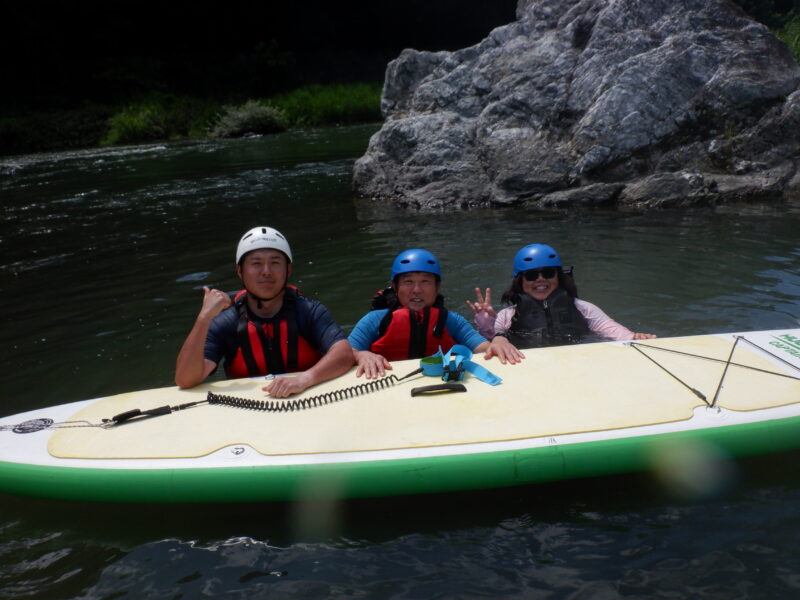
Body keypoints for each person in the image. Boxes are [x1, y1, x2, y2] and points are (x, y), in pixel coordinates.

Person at [174, 226, 353, 397]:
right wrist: (204, 318)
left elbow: (344, 354)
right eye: (256, 263)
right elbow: (185, 379)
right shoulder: (227, 323)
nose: (266, 272)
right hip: (250, 412)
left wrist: (303, 380)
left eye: (275, 263)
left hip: (307, 398)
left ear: (288, 269)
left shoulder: (309, 311)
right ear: (240, 271)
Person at [348, 248, 519, 378]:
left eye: (425, 282)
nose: (417, 290)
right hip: (389, 384)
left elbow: (484, 349)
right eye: (408, 282)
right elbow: (346, 352)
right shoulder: (375, 320)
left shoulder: (452, 321)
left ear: (437, 287)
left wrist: (499, 339)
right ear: (395, 287)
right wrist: (362, 354)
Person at [469, 243, 656, 351]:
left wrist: (633, 337)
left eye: (548, 273)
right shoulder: (507, 315)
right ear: (521, 281)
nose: (540, 279)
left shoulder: (583, 308)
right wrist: (486, 323)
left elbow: (610, 330)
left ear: (558, 276)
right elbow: (495, 342)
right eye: (532, 275)